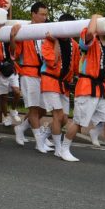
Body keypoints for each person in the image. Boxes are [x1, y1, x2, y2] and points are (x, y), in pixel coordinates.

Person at [61, 14, 105, 166]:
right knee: (79, 122)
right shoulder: (91, 39)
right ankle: (64, 148)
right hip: (88, 85)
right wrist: (95, 17)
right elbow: (88, 34)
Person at [11, 2, 51, 151]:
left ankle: (21, 128)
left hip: (44, 74)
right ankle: (39, 141)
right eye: (42, 14)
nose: (44, 17)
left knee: (44, 109)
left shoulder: (46, 31)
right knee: (34, 109)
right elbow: (15, 52)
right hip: (29, 72)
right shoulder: (24, 30)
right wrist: (13, 38)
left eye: (46, 14)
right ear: (33, 14)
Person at [39, 13, 80, 155]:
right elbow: (52, 61)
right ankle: (58, 148)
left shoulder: (74, 44)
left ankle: (44, 134)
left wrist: (78, 79)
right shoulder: (48, 41)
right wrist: (55, 42)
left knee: (64, 118)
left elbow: (75, 66)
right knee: (57, 115)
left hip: (64, 83)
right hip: (50, 80)